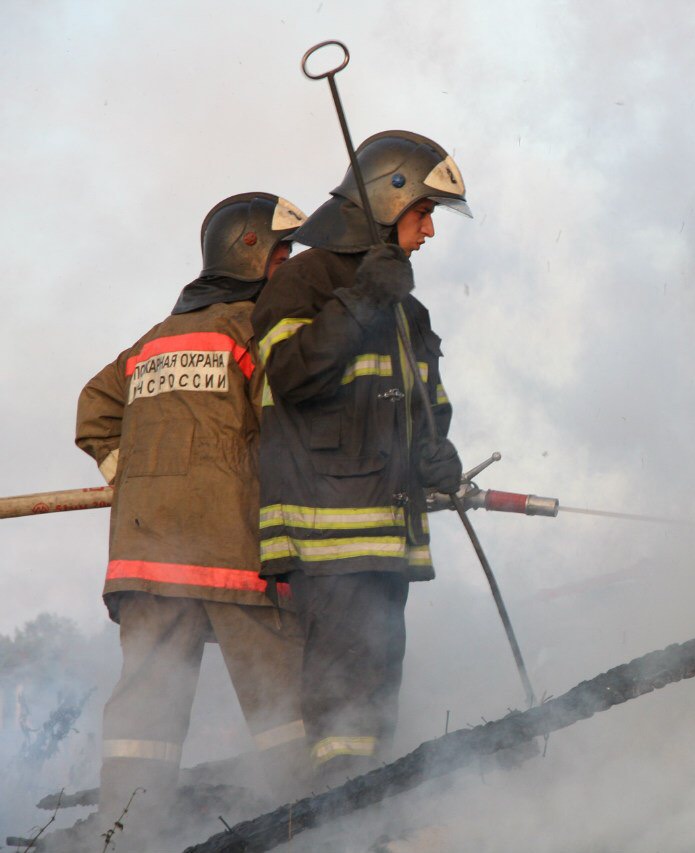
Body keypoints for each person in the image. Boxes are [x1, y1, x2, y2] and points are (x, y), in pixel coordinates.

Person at [73, 193, 309, 847]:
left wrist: (131, 475)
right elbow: (288, 423)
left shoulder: (153, 340)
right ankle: (311, 821)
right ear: (252, 255)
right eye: (284, 255)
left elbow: (94, 407)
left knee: (143, 710)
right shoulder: (255, 332)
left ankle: (124, 834)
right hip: (233, 550)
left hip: (144, 554)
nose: (291, 269)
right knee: (283, 700)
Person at [251, 130, 467, 784]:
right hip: (328, 537)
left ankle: (369, 816)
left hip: (385, 537)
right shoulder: (304, 283)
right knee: (342, 711)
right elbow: (293, 375)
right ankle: (335, 819)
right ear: (386, 198)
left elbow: (426, 404)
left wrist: (437, 452)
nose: (429, 230)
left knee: (375, 707)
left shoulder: (406, 307)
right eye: (422, 211)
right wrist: (365, 298)